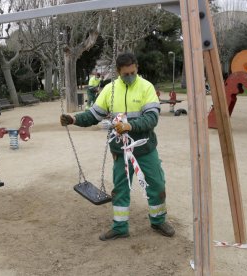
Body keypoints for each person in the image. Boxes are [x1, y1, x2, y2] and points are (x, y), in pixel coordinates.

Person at [60, 53, 175, 241]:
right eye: (125, 74)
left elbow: (152, 118)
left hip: (145, 148)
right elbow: (93, 115)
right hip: (120, 152)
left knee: (157, 184)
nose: (129, 76)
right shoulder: (109, 90)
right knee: (120, 189)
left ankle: (158, 220)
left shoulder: (146, 88)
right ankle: (120, 227)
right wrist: (74, 119)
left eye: (132, 72)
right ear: (118, 73)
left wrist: (130, 126)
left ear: (137, 67)